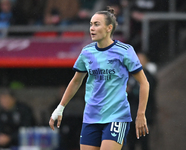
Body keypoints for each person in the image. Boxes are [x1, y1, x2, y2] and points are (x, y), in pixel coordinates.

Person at [49, 6, 149, 150]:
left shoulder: (125, 51)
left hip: (116, 116)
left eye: (96, 24)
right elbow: (76, 81)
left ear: (109, 28)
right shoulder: (87, 52)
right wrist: (60, 108)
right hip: (91, 117)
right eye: (90, 24)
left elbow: (144, 83)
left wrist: (141, 114)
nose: (92, 28)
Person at [126, 52, 157, 150]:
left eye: (140, 59)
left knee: (144, 143)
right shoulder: (132, 76)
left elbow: (146, 92)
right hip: (131, 116)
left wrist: (131, 91)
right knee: (130, 143)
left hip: (144, 116)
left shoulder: (148, 76)